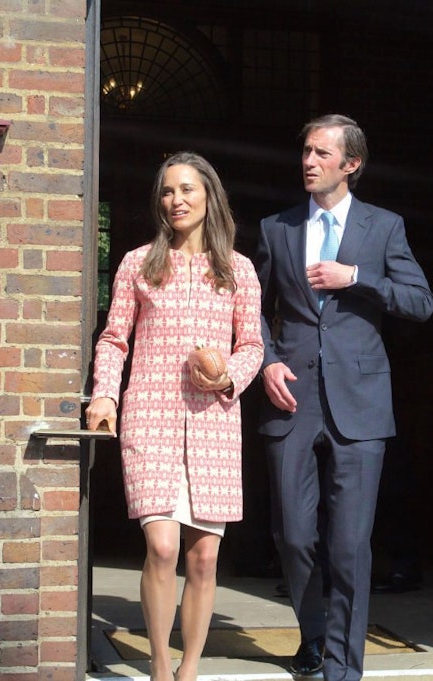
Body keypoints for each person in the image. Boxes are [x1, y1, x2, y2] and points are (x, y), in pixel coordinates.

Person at [254, 114, 433, 680]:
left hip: (361, 402)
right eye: (304, 151)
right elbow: (247, 308)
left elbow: (421, 301)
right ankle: (312, 634)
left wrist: (355, 276)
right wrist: (265, 360)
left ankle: (341, 668)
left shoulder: (384, 228)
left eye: (320, 154)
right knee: (293, 534)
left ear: (350, 164)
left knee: (351, 544)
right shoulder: (276, 229)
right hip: (292, 398)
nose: (308, 161)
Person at [87, 151, 264, 681]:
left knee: (204, 559)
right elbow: (115, 338)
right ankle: (160, 666)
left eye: (187, 189)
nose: (176, 200)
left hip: (213, 422)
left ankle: (190, 668)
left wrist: (229, 374)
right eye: (167, 191)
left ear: (209, 196)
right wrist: (105, 396)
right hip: (150, 416)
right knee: (162, 547)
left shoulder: (240, 269)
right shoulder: (138, 264)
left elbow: (252, 344)